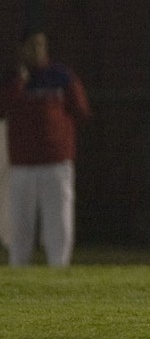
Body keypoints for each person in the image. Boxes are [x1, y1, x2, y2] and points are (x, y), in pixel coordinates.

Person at [0, 29, 90, 266]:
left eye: (41, 45)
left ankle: (59, 267)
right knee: (20, 223)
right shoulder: (12, 79)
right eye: (32, 45)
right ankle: (18, 266)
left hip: (56, 161)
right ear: (21, 50)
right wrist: (19, 82)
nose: (38, 50)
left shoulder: (61, 76)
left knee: (58, 221)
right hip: (22, 164)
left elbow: (80, 109)